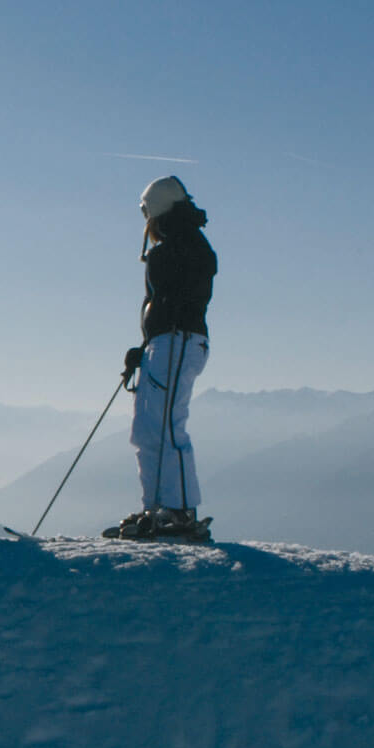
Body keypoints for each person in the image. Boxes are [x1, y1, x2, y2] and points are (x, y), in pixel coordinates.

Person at [109, 175, 216, 542]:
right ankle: (159, 508)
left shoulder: (181, 247)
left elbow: (179, 292)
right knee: (148, 428)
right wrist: (145, 345)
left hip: (177, 341)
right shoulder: (188, 243)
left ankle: (179, 511)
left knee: (167, 426)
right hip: (170, 342)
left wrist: (158, 334)